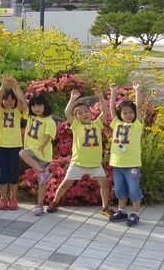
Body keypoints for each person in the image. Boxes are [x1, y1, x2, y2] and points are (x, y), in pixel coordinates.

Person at [47, 86, 114, 217]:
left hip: (95, 164)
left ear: (90, 112)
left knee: (105, 185)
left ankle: (105, 207)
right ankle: (55, 202)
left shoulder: (97, 124)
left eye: (86, 111)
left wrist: (100, 97)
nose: (84, 114)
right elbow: (67, 112)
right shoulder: (77, 126)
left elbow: (104, 112)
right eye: (80, 113)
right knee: (66, 183)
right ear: (76, 117)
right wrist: (72, 99)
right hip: (78, 163)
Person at [108, 82, 144, 227]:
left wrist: (137, 91)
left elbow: (140, 107)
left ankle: (135, 213)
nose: (128, 115)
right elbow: (111, 107)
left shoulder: (137, 125)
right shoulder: (116, 122)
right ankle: (122, 211)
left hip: (132, 165)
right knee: (120, 189)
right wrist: (113, 92)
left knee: (134, 190)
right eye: (124, 113)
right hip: (117, 164)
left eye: (131, 112)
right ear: (120, 114)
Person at [18, 93, 57, 216]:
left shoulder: (49, 121)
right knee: (22, 153)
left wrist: (42, 145)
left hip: (44, 154)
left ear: (45, 105)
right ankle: (42, 172)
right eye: (34, 106)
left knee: (42, 183)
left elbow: (48, 136)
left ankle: (39, 204)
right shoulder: (30, 116)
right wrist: (15, 87)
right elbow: (23, 100)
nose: (37, 108)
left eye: (39, 105)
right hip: (31, 150)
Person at [0, 76, 25, 210]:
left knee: (13, 172)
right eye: (6, 99)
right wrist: (3, 86)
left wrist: (15, 86)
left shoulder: (17, 112)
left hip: (15, 146)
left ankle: (13, 198)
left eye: (12, 99)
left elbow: (22, 102)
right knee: (3, 173)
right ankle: (3, 197)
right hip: (1, 145)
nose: (9, 102)